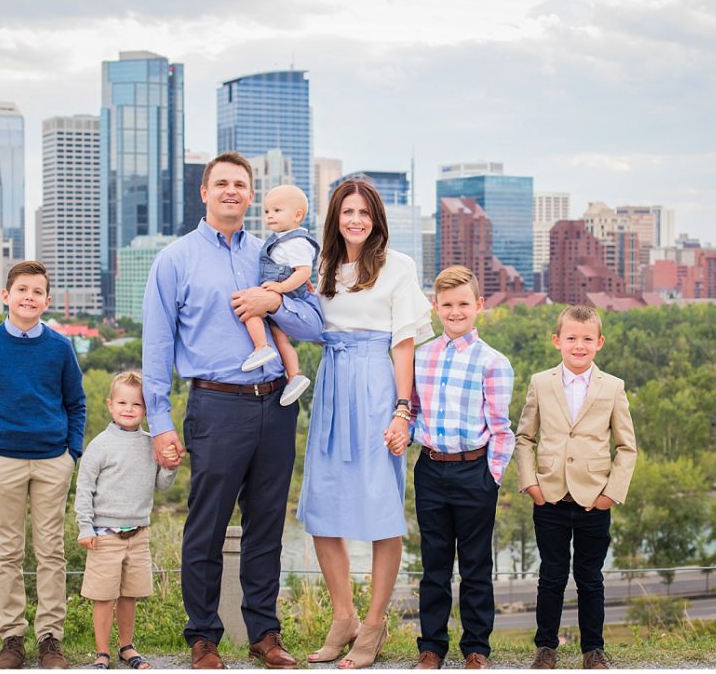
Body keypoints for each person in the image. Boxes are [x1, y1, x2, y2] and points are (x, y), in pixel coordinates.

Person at [141, 151, 324, 670]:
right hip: (216, 404)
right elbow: (156, 348)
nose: (231, 192)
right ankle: (203, 638)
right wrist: (159, 425)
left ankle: (265, 635)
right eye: (220, 183)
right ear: (204, 192)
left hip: (277, 404)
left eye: (240, 185)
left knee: (267, 525)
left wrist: (274, 305)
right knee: (206, 526)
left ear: (251, 194)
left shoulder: (273, 252)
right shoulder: (174, 260)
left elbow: (313, 324)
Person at [297, 179, 433, 670]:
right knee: (321, 507)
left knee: (380, 507)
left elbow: (404, 344)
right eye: (347, 211)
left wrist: (402, 409)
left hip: (377, 388)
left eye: (364, 212)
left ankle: (374, 624)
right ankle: (343, 617)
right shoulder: (323, 266)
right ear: (336, 217)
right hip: (333, 387)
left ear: (376, 218)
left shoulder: (399, 267)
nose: (355, 219)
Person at [0, 260, 86, 669]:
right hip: (2, 462)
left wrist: (72, 453)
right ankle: (12, 638)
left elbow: (76, 404)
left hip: (52, 462)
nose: (29, 297)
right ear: (6, 296)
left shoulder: (60, 347)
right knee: (7, 552)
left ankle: (51, 640)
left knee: (51, 553)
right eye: (22, 290)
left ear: (47, 301)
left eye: (37, 292)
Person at [514, 305, 637, 670]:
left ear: (599, 342)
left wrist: (610, 494)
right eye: (571, 338)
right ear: (557, 341)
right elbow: (524, 438)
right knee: (550, 576)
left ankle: (593, 650)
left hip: (593, 500)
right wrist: (531, 484)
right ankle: (546, 647)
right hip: (549, 497)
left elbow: (627, 446)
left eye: (586, 339)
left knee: (590, 579)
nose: (578, 345)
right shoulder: (541, 382)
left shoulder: (613, 387)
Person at [410, 266, 516, 671]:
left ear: (479, 306)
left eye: (464, 304)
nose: (456, 312)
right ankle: (432, 648)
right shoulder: (421, 357)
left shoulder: (493, 362)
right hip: (431, 470)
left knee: (475, 565)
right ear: (436, 307)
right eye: (448, 305)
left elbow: (502, 428)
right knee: (434, 564)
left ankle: (476, 649)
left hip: (475, 471)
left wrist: (492, 476)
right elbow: (413, 410)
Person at [75, 371, 176, 670]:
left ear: (146, 410)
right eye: (122, 402)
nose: (129, 409)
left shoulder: (150, 443)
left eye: (137, 404)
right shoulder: (100, 445)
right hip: (104, 534)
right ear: (109, 405)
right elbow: (84, 489)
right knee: (104, 597)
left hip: (138, 533)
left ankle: (127, 647)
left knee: (129, 595)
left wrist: (170, 465)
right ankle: (102, 652)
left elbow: (164, 483)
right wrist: (84, 527)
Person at [239, 184, 320, 406]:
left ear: (298, 216)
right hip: (285, 290)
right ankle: (294, 376)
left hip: (283, 290)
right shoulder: (283, 240)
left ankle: (261, 347)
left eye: (277, 210)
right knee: (282, 339)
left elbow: (303, 271)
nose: (270, 216)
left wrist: (280, 288)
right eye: (267, 211)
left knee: (248, 307)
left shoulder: (295, 242)